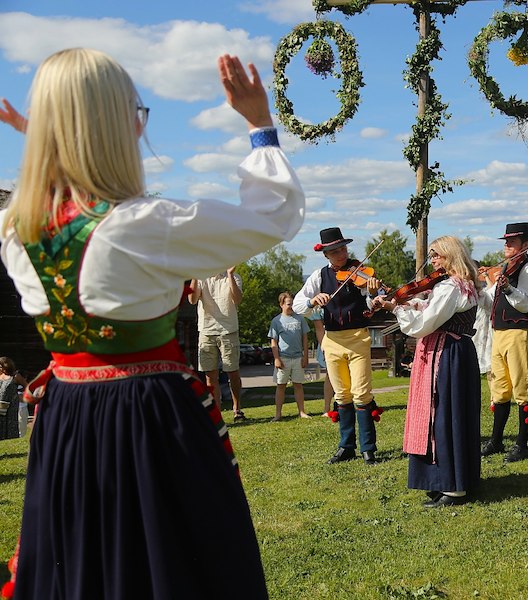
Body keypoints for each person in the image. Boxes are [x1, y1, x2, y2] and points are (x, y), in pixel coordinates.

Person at [0, 49, 304, 598]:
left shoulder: (17, 231)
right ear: (117, 127)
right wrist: (260, 125)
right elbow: (272, 215)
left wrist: (46, 142)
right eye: (136, 113)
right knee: (168, 563)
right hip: (147, 421)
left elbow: (60, 200)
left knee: (81, 560)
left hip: (65, 419)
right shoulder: (145, 227)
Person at [372, 236, 482, 507]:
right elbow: (434, 311)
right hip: (456, 353)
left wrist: (398, 308)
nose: (432, 261)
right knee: (451, 415)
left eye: (437, 255)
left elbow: (424, 325)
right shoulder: (462, 285)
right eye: (431, 255)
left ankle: (452, 486)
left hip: (446, 354)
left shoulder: (450, 287)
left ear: (451, 256)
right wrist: (406, 305)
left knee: (442, 416)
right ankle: (451, 480)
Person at [294, 227, 383, 465]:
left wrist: (373, 292)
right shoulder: (318, 276)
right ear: (326, 254)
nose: (341, 254)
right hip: (332, 340)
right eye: (335, 251)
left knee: (362, 393)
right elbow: (298, 304)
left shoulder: (360, 273)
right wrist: (313, 300)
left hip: (358, 338)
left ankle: (368, 449)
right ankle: (346, 446)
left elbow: (374, 301)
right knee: (342, 394)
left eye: (343, 248)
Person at [479, 222, 528, 463]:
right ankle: (496, 441)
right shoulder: (506, 267)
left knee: (521, 388)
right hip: (500, 332)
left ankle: (522, 445)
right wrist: (474, 286)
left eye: (512, 241)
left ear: (526, 244)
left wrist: (506, 288)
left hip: (520, 332)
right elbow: (487, 300)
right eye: (506, 241)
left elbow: (525, 303)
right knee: (500, 389)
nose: (507, 245)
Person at [189, 267, 245, 421]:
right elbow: (192, 300)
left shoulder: (233, 277)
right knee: (209, 376)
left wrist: (230, 275)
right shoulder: (201, 277)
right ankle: (216, 414)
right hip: (207, 330)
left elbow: (237, 299)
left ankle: (237, 409)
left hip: (228, 330)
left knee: (232, 372)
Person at [268, 292, 311, 420]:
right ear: (281, 304)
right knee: (281, 385)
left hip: (298, 357)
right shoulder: (276, 321)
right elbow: (273, 342)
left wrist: (305, 356)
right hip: (283, 358)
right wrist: (276, 358)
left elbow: (305, 338)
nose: (291, 306)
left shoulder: (300, 319)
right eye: (288, 304)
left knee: (298, 385)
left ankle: (302, 411)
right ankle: (278, 414)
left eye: (292, 304)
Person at [308, 308, 335, 416]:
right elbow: (319, 329)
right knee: (331, 375)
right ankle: (327, 408)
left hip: (346, 338)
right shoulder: (317, 308)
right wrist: (325, 348)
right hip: (328, 341)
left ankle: (346, 404)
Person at [0, 357, 27, 440]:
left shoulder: (15, 376)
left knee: (10, 422)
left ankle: (9, 438)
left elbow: (28, 387)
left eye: (1, 366)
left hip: (11, 405)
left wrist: (19, 395)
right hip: (0, 403)